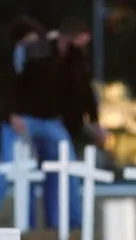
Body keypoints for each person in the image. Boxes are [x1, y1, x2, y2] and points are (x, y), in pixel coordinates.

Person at [0, 16, 46, 227]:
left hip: (36, 120)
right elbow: (0, 93)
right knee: (8, 166)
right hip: (13, 122)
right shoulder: (7, 64)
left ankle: (30, 220)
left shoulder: (39, 63)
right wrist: (10, 115)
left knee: (31, 171)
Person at [56, 17, 106, 153]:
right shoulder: (53, 60)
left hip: (73, 118)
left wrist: (94, 121)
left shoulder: (78, 61)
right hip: (57, 116)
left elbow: (86, 92)